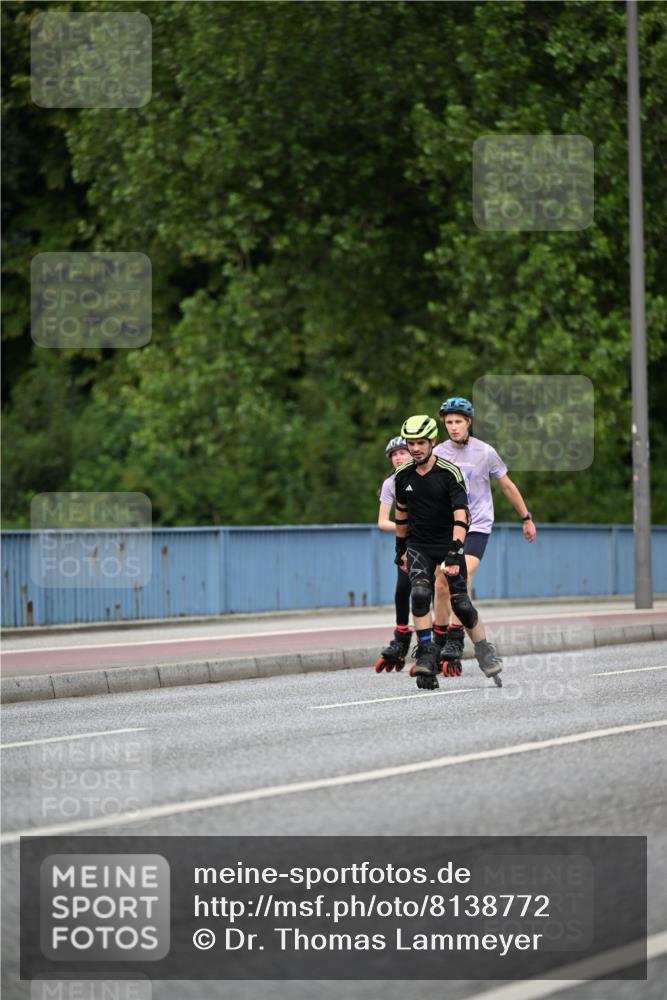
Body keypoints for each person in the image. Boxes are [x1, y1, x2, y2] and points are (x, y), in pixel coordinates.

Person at [394, 414, 503, 690]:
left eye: (420, 442)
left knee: (461, 605)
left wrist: (454, 552)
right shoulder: (403, 474)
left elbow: (461, 514)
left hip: (447, 544)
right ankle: (427, 653)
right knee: (419, 594)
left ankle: (483, 649)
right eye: (410, 443)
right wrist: (400, 549)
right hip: (418, 545)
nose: (415, 448)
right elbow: (402, 513)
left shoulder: (449, 472)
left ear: (432, 441)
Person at [431, 397, 536, 671]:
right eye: (449, 422)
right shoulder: (437, 453)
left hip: (476, 526)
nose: (453, 427)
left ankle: (456, 638)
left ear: (469, 422)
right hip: (448, 527)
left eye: (458, 422)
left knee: (459, 573)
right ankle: (441, 638)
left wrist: (526, 517)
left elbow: (507, 486)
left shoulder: (485, 452)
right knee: (440, 582)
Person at [374, 436, 414, 672]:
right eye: (394, 455)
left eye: (403, 452)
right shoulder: (391, 483)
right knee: (403, 589)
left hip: (434, 540)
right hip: (408, 543)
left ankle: (439, 640)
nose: (399, 457)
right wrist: (407, 527)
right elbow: (382, 522)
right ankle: (401, 638)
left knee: (433, 592)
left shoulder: (428, 475)